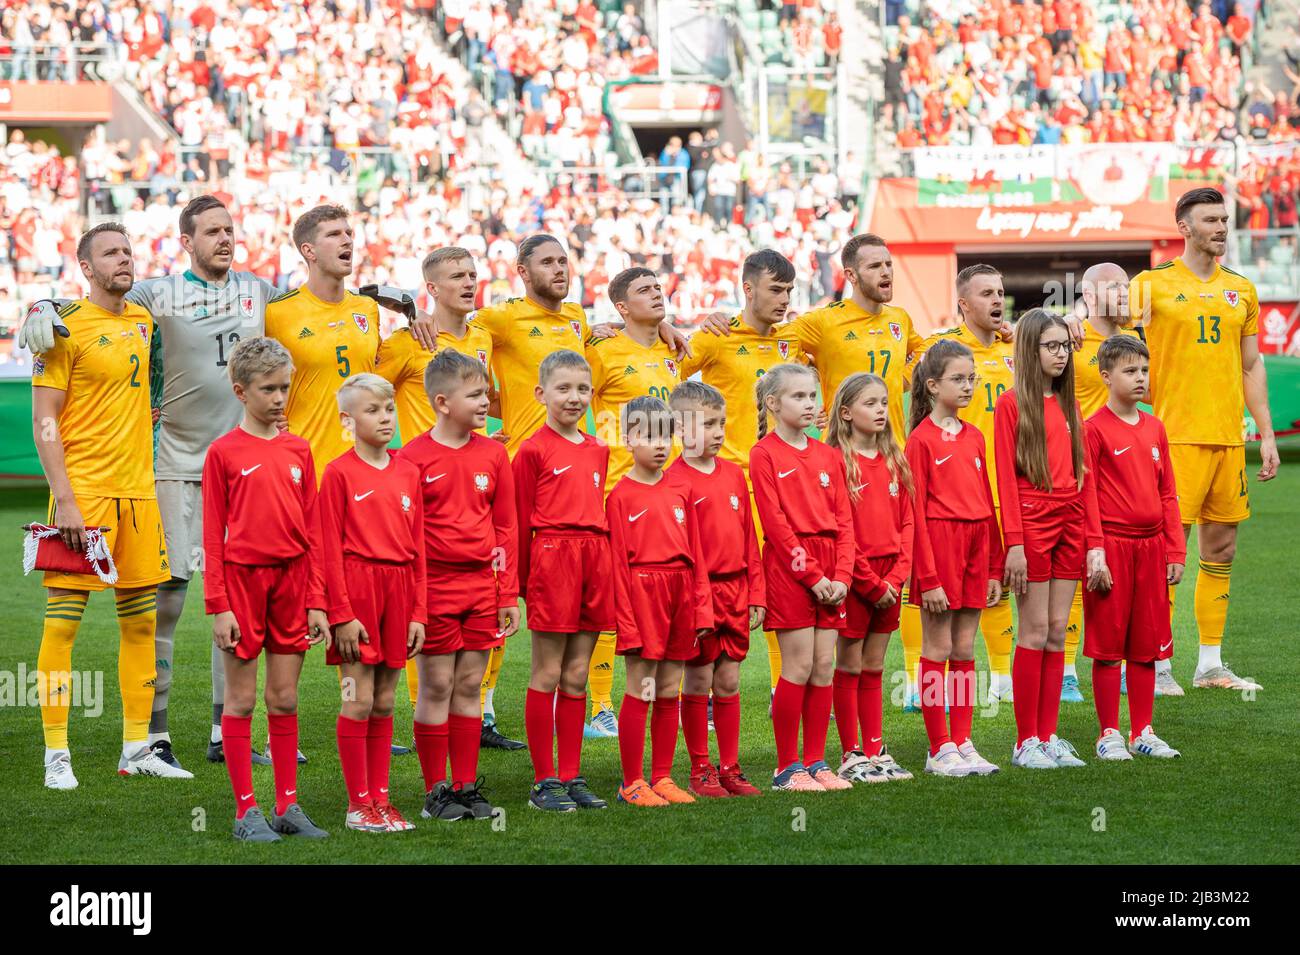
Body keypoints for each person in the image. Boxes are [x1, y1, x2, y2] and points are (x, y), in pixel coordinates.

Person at [473, 234, 687, 746]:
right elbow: (461, 333)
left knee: (603, 605)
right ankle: (479, 706)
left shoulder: (579, 322)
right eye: (546, 262)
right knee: (502, 592)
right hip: (522, 466)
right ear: (522, 272)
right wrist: (486, 413)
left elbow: (580, 381)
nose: (559, 268)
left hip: (581, 473)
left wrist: (662, 324)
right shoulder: (502, 318)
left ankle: (600, 707)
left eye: (563, 260)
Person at [32, 223, 193, 788]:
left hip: (138, 495)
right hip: (86, 496)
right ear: (85, 267)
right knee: (63, 625)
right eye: (110, 253)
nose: (124, 260)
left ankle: (136, 747)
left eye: (128, 250)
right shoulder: (59, 327)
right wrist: (68, 502)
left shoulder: (143, 322)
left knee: (141, 625)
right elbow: (44, 420)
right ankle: (57, 753)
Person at [1129, 187, 1279, 694]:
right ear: (1184, 227)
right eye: (1210, 219)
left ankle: (1209, 664)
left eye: (1225, 219)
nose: (1221, 227)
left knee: (1222, 547)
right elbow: (1113, 350)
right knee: (1168, 553)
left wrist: (1267, 431)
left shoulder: (1242, 289)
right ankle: (1158, 662)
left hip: (1227, 440)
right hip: (1172, 440)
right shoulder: (1150, 286)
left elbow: (1252, 364)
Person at [375, 247, 506, 750]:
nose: (469, 282)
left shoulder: (484, 338)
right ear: (431, 288)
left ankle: (479, 713)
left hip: (470, 485)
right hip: (415, 489)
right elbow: (365, 392)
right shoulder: (409, 342)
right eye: (456, 276)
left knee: (482, 600)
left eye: (472, 274)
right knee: (421, 603)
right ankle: (414, 714)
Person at [201, 337, 331, 841]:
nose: (280, 398)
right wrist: (219, 605)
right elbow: (213, 535)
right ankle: (245, 811)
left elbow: (314, 531)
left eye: (285, 387)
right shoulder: (223, 453)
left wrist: (317, 600)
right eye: (269, 389)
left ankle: (288, 807)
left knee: (283, 697)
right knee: (241, 700)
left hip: (293, 584)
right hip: (242, 585)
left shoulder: (300, 449)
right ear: (241, 391)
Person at [397, 350, 520, 822]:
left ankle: (467, 786)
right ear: (443, 402)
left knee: (470, 684)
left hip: (482, 590)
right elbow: (409, 539)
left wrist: (506, 592)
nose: (487, 400)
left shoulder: (493, 452)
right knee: (437, 685)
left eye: (486, 391)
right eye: (475, 394)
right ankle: (435, 792)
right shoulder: (413, 458)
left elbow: (505, 527)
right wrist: (417, 604)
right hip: (435, 590)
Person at [680, 250, 806, 701]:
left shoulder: (794, 338)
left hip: (786, 479)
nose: (784, 298)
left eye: (789, 290)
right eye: (775, 289)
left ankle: (782, 685)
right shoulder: (716, 337)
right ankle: (702, 689)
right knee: (718, 582)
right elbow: (663, 364)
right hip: (728, 482)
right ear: (748, 289)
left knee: (784, 581)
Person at [318, 374, 427, 833]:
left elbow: (419, 546)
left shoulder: (407, 471)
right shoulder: (338, 473)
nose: (385, 417)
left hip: (399, 590)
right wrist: (341, 614)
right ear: (347, 420)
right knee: (357, 699)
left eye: (388, 409)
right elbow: (326, 549)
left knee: (385, 702)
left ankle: (381, 799)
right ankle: (356, 803)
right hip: (358, 592)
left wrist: (418, 612)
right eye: (372, 410)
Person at [905, 265, 1017, 709]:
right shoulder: (942, 351)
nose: (997, 300)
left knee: (998, 588)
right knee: (939, 626)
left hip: (992, 491)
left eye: (1001, 292)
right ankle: (924, 693)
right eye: (986, 292)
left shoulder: (1013, 351)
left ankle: (1000, 681)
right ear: (963, 303)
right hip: (944, 511)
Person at [582, 267, 683, 738]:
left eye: (658, 287)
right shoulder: (602, 350)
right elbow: (566, 390)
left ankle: (673, 693)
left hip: (669, 491)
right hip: (618, 494)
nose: (656, 294)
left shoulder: (674, 349)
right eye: (644, 290)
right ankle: (601, 706)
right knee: (616, 601)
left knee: (670, 596)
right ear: (621, 307)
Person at [995, 309, 1097, 770]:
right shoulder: (1010, 404)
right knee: (1034, 631)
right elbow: (1004, 479)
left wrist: (1093, 541)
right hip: (1033, 521)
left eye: (1064, 346)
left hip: (1071, 519)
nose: (1061, 354)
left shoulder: (1070, 402)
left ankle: (1048, 734)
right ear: (1030, 349)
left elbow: (1084, 477)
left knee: (1058, 632)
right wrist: (1014, 543)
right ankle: (1025, 741)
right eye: (1051, 346)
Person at [514, 349, 614, 812]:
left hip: (594, 557)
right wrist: (516, 584)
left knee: (577, 674)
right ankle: (543, 781)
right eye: (564, 389)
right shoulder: (532, 449)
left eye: (582, 389)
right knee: (548, 672)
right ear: (541, 393)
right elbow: (516, 521)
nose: (574, 398)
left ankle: (572, 775)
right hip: (552, 557)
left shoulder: (598, 448)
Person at [750, 363, 855, 792]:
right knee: (797, 666)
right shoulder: (765, 454)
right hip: (790, 568)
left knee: (823, 666)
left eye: (812, 396)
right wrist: (813, 577)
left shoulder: (829, 454)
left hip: (832, 568)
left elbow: (845, 522)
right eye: (798, 397)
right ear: (773, 404)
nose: (809, 404)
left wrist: (843, 575)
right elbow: (775, 524)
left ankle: (816, 761)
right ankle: (786, 767)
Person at [607, 396, 714, 806]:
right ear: (629, 439)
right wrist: (628, 620)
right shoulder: (620, 496)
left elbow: (697, 554)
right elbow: (617, 564)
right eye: (648, 436)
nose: (658, 445)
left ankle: (663, 777)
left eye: (665, 436)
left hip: (680, 592)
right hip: (642, 592)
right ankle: (632, 781)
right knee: (643, 686)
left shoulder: (681, 490)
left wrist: (701, 607)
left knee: (670, 687)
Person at [1082, 336, 1185, 760]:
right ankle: (1109, 733)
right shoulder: (1093, 429)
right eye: (1130, 371)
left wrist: (1175, 550)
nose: (1140, 378)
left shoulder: (1156, 427)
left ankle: (1144, 730)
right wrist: (1096, 551)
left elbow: (1168, 493)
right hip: (1113, 549)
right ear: (1106, 377)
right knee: (1109, 646)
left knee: (1147, 645)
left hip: (1151, 548)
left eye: (1143, 370)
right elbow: (1085, 495)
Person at [904, 340, 1004, 777]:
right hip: (939, 548)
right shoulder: (920, 441)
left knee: (964, 648)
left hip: (976, 548)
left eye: (972, 379)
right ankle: (937, 746)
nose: (968, 387)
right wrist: (928, 577)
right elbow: (915, 515)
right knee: (938, 647)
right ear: (932, 385)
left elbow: (987, 503)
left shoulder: (976, 436)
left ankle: (962, 740)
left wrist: (996, 566)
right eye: (958, 379)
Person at [669, 381, 765, 798]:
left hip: (736, 591)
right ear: (680, 428)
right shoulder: (673, 480)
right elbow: (684, 553)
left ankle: (730, 767)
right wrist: (699, 604)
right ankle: (700, 769)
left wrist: (757, 593)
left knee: (728, 681)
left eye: (721, 422)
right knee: (697, 680)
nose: (718, 431)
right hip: (698, 596)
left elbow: (749, 539)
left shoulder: (732, 474)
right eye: (708, 424)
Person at [824, 373, 916, 783]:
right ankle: (851, 752)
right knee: (849, 664)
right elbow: (842, 531)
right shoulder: (838, 464)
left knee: (875, 665)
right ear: (846, 414)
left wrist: (895, 577)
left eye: (884, 402)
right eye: (870, 404)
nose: (881, 410)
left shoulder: (895, 459)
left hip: (890, 579)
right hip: (855, 579)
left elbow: (908, 525)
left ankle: (876, 747)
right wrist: (869, 583)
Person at [1063, 262, 1142, 701]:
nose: (1124, 292)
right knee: (1078, 566)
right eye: (1113, 286)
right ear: (1090, 295)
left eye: (1126, 285)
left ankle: (1125, 660)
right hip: (1081, 467)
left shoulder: (1134, 343)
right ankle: (1067, 668)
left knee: (1123, 568)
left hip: (1126, 471)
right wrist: (1066, 318)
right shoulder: (1070, 339)